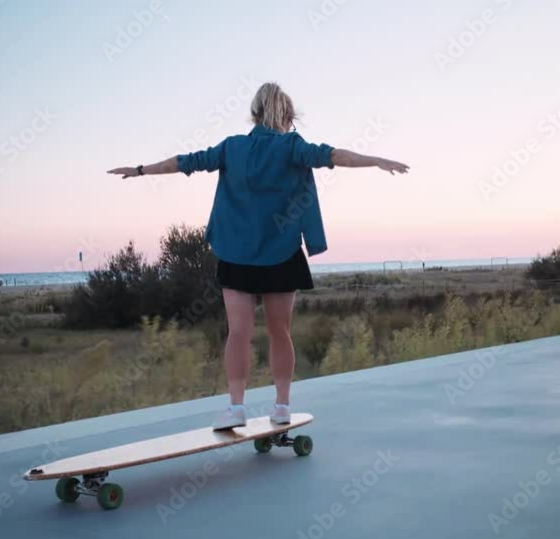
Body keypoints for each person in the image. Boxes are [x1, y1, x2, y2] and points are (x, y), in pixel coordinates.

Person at [108, 82, 409, 430]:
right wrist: (376, 161)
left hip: (237, 256)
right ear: (286, 116)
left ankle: (236, 408)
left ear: (254, 114)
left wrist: (141, 169)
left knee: (238, 333)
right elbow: (334, 156)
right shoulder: (293, 146)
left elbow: (184, 162)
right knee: (281, 332)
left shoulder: (232, 147)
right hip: (282, 255)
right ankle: (281, 406)